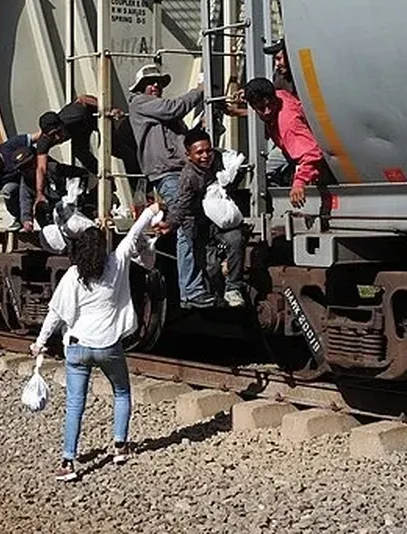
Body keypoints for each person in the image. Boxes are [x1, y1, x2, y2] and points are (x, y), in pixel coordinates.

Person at [31, 202, 161, 482]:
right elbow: (134, 233)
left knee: (75, 403)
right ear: (102, 249)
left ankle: (68, 462)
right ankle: (119, 447)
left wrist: (39, 343)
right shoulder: (116, 263)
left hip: (76, 347)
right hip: (107, 346)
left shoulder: (73, 276)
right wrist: (151, 210)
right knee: (122, 392)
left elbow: (55, 313)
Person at [127, 63, 208, 308]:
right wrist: (200, 91)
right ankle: (191, 291)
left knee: (199, 223)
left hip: (182, 172)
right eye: (150, 83)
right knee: (184, 223)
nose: (156, 87)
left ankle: (200, 285)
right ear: (140, 87)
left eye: (159, 83)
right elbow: (174, 107)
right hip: (167, 174)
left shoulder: (167, 118)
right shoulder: (139, 103)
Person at [160, 128, 246, 308]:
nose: (206, 156)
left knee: (236, 239)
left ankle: (233, 288)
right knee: (211, 265)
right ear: (189, 155)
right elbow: (181, 204)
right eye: (199, 152)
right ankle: (216, 296)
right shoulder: (188, 176)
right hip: (199, 226)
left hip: (221, 220)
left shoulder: (220, 160)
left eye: (208, 150)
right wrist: (171, 223)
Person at [244, 77, 327, 208]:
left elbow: (312, 154)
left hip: (306, 151)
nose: (267, 111)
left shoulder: (288, 123)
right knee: (263, 173)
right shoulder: (279, 95)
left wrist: (299, 183)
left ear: (273, 97)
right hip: (289, 149)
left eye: (269, 105)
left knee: (264, 175)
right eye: (261, 108)